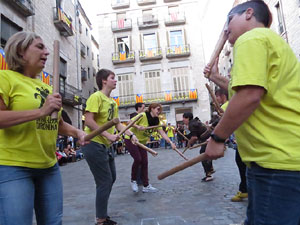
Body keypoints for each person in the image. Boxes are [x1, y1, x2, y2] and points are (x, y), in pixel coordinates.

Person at [204, 1, 300, 224]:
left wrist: (218, 137)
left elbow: (249, 95)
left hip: (275, 161)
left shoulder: (251, 38)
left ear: (248, 14)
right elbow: (256, 88)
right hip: (282, 159)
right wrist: (217, 77)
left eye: (229, 20)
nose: (226, 29)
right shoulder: (270, 41)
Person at [0, 31, 88, 225]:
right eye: (40, 47)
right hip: (13, 167)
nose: (47, 53)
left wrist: (78, 132)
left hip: (49, 167)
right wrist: (41, 111)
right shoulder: (4, 78)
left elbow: (56, 124)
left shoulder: (47, 87)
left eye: (47, 48)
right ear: (21, 51)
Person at [82, 69, 138, 225]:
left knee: (111, 178)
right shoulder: (96, 97)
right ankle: (100, 219)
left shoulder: (113, 102)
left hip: (106, 146)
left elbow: (117, 123)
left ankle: (102, 215)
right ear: (104, 81)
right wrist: (108, 135)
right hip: (94, 144)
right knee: (104, 181)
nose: (116, 81)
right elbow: (88, 120)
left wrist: (131, 135)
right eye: (113, 78)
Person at [125, 103, 176, 193]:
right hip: (131, 139)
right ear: (152, 109)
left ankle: (146, 185)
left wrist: (171, 142)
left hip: (142, 142)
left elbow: (163, 133)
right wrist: (138, 126)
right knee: (138, 159)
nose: (159, 112)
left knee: (145, 162)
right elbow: (129, 123)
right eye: (157, 109)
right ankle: (133, 181)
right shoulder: (142, 115)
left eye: (160, 110)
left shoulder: (157, 121)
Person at [215, 88, 248, 202]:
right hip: (242, 139)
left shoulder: (226, 106)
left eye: (217, 97)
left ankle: (246, 189)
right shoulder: (231, 104)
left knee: (243, 163)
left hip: (244, 140)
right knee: (242, 163)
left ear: (223, 95)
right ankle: (244, 189)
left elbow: (224, 124)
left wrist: (217, 139)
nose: (217, 99)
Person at [182, 112, 214, 182]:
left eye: (183, 118)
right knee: (205, 154)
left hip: (207, 139)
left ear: (187, 118)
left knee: (203, 154)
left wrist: (189, 143)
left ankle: (208, 175)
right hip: (209, 138)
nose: (183, 120)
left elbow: (194, 137)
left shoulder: (192, 124)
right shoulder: (194, 122)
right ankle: (210, 170)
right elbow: (193, 135)